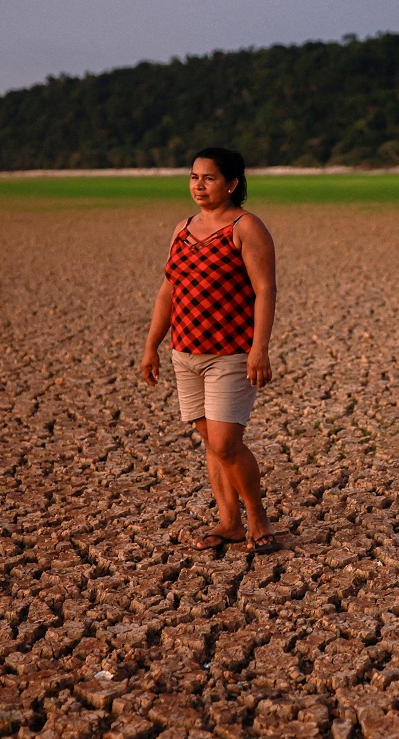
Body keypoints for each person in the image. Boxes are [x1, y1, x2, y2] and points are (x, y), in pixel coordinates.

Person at [139, 147, 281, 554]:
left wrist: (260, 349)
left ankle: (257, 517)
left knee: (225, 444)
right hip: (185, 353)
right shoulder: (182, 229)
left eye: (209, 178)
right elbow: (169, 289)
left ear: (232, 183)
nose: (198, 185)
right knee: (212, 444)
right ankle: (229, 521)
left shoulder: (246, 227)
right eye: (193, 177)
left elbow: (265, 289)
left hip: (231, 352)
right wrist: (152, 345)